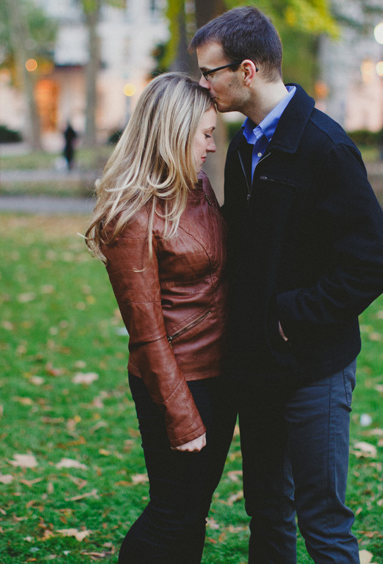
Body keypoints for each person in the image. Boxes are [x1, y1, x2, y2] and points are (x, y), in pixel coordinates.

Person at [191, 7, 383, 563]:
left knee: (323, 521)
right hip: (257, 369)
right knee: (266, 509)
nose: (203, 86)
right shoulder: (242, 148)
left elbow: (375, 262)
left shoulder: (325, 148)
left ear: (248, 70)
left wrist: (290, 313)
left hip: (315, 369)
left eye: (210, 73)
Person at [84, 72, 235, 563]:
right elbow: (147, 336)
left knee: (193, 511)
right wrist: (181, 415)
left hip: (219, 376)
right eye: (206, 134)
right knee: (172, 511)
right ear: (173, 132)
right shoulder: (131, 216)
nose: (212, 146)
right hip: (178, 383)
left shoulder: (197, 187)